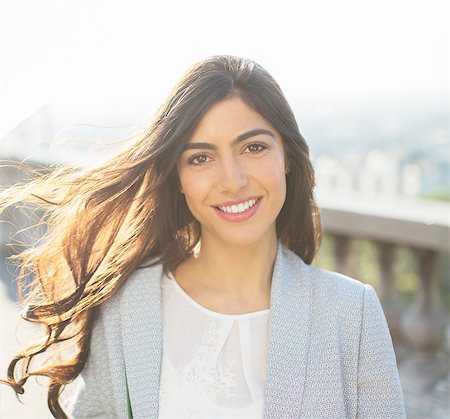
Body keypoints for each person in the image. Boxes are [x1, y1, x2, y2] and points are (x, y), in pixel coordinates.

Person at [0, 55, 406, 418]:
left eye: (253, 148)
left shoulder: (352, 313)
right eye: (200, 158)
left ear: (287, 159)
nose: (232, 180)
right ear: (177, 177)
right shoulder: (127, 306)